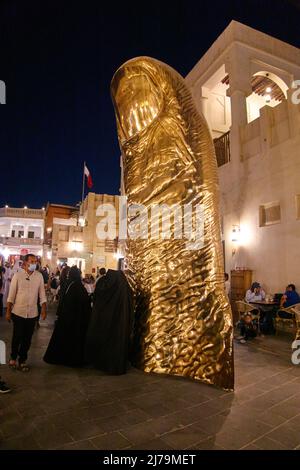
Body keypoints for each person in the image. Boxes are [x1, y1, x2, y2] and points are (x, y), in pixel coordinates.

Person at [85, 269, 134, 375]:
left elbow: (98, 299)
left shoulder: (106, 287)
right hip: (121, 326)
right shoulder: (125, 289)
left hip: (107, 325)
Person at [6, 254, 47, 372]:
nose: (34, 264)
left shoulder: (39, 276)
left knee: (27, 339)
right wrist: (8, 311)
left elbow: (42, 294)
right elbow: (11, 295)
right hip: (18, 311)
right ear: (25, 263)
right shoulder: (17, 276)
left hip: (32, 313)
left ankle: (22, 360)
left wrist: (44, 309)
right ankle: (13, 357)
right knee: (17, 336)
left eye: (35, 262)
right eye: (32, 261)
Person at [43, 266, 91, 366]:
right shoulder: (77, 286)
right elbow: (83, 302)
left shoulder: (68, 284)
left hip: (66, 317)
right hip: (75, 319)